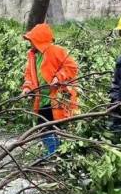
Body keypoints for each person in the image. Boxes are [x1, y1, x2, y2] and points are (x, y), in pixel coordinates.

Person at [20, 23, 79, 156]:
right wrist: (27, 88)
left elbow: (72, 67)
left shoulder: (56, 51)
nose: (31, 44)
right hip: (42, 99)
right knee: (43, 126)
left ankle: (57, 154)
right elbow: (29, 75)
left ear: (39, 41)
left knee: (57, 126)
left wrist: (58, 78)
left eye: (32, 41)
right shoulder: (32, 55)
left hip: (58, 97)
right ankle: (53, 153)